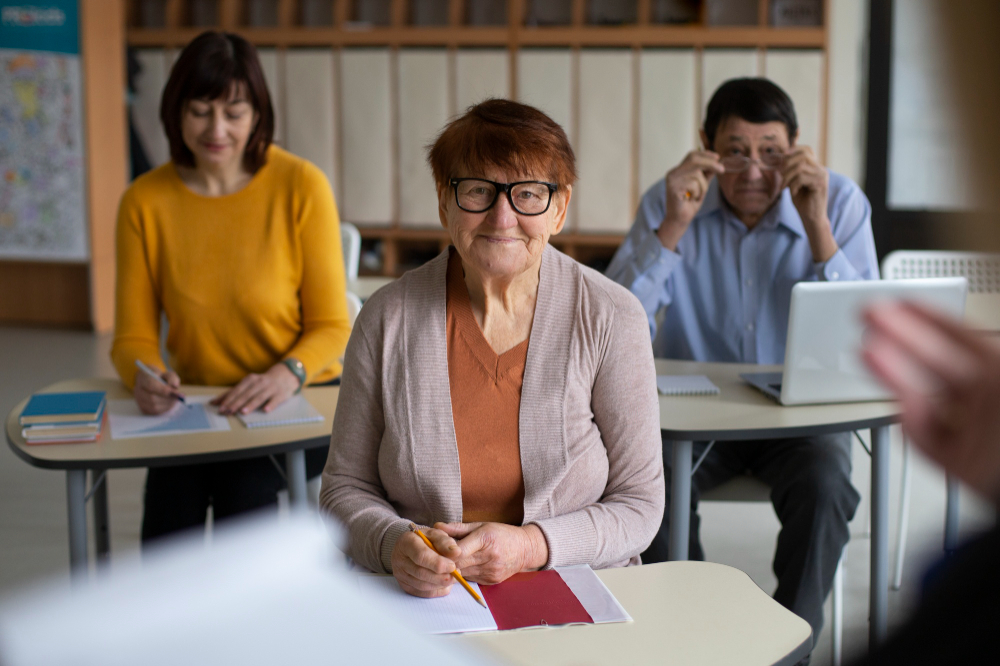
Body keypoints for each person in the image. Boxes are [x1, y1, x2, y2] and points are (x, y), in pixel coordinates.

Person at [320, 99, 664, 597]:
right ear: (444, 201)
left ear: (560, 208)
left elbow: (640, 505)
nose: (502, 217)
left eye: (528, 193)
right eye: (478, 190)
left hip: (575, 587)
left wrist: (531, 547)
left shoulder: (612, 316)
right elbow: (342, 488)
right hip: (424, 600)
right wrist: (392, 542)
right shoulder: (386, 317)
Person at [606, 77, 879, 642]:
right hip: (696, 420)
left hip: (802, 420)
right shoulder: (670, 198)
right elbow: (614, 324)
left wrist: (818, 230)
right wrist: (673, 228)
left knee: (827, 483)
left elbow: (868, 338)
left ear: (797, 146)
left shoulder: (841, 202)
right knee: (646, 486)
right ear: (706, 144)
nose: (754, 171)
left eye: (772, 152)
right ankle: (692, 634)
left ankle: (792, 644)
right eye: (735, 151)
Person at [110, 31, 351, 543]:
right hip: (198, 405)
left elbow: (333, 325)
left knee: (245, 501)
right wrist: (145, 376)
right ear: (175, 112)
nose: (216, 129)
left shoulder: (301, 185)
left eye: (234, 112)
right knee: (166, 530)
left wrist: (287, 373)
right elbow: (131, 337)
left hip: (297, 400)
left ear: (258, 115)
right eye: (199, 110)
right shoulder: (143, 202)